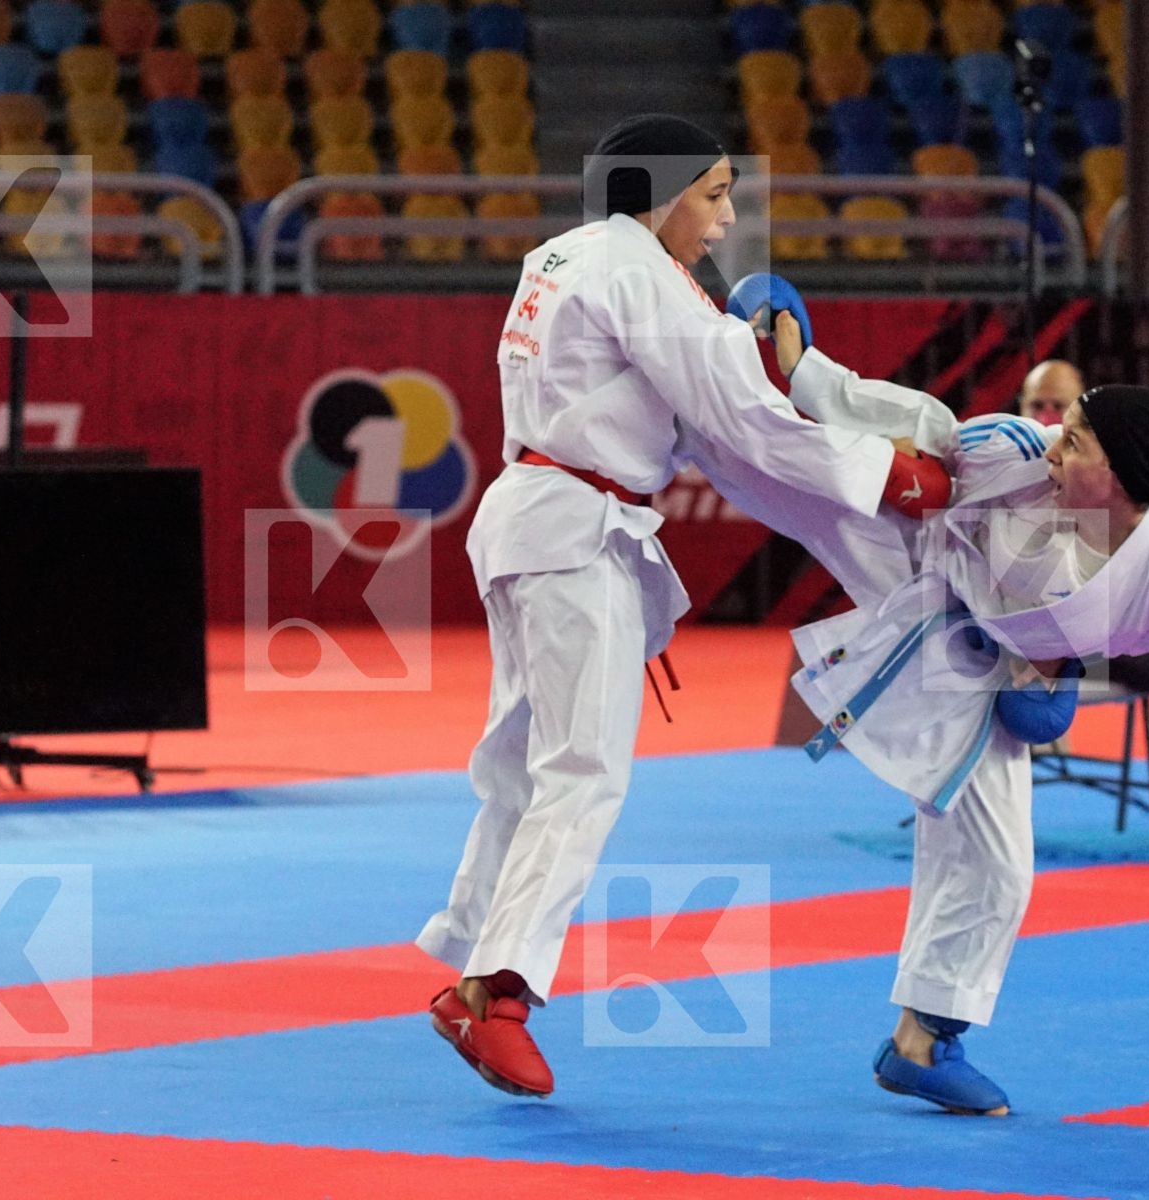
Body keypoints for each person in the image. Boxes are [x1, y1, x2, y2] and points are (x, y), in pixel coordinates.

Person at [414, 117, 948, 1100]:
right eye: (713, 193)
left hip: (535, 519)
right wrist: (896, 474)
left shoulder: (562, 254)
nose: (727, 216)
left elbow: (713, 402)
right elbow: (744, 420)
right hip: (574, 531)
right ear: (659, 196)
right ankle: (496, 995)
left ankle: (473, 960)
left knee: (525, 769)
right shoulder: (640, 274)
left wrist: (750, 366)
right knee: (579, 773)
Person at [722, 273, 1149, 1116]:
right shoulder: (1013, 451)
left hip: (977, 656)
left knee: (997, 867)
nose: (1055, 448)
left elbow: (1142, 641)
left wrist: (1062, 668)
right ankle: (679, 385)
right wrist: (809, 371)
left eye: (1076, 446)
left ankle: (923, 1042)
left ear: (1128, 478)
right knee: (795, 463)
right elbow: (916, 420)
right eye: (1062, 432)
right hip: (922, 555)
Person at [1012, 361, 1149, 849]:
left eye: (1058, 408)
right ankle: (959, 802)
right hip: (1024, 640)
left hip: (1114, 643)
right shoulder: (1012, 462)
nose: (1047, 417)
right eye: (1036, 405)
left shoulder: (1129, 479)